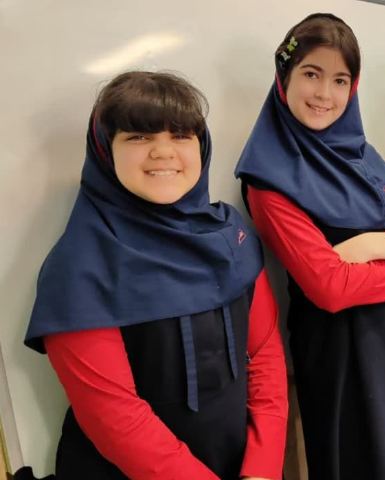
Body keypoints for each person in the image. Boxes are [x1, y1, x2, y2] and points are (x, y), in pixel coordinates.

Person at [25, 71, 288, 480]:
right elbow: (115, 420)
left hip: (240, 466)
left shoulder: (229, 236)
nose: (163, 151)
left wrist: (263, 467)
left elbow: (265, 357)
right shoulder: (79, 268)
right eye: (138, 136)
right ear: (104, 150)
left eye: (181, 135)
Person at [235, 13, 385, 480]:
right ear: (284, 77)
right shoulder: (268, 180)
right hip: (342, 356)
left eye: (340, 80)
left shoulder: (363, 156)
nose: (325, 94)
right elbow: (330, 287)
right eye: (311, 74)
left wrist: (377, 243)